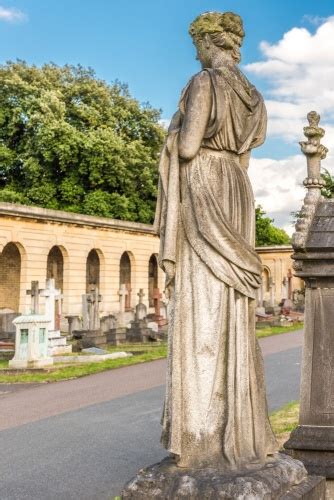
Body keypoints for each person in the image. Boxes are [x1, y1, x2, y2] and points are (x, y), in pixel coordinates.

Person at [154, 11, 278, 469]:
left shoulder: (204, 82)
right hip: (236, 191)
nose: (195, 53)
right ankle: (239, 429)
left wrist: (170, 134)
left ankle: (202, 435)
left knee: (201, 309)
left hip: (204, 185)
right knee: (230, 310)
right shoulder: (254, 96)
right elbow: (244, 160)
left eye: (198, 44)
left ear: (211, 43)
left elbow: (186, 148)